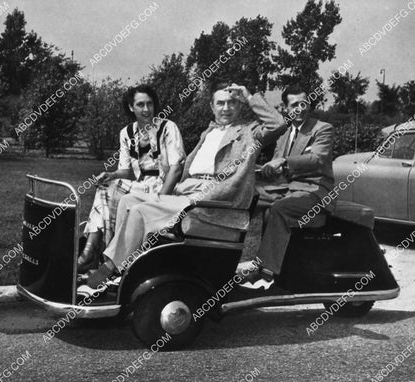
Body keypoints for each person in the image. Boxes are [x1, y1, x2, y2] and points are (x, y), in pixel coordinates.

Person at [79, 82, 288, 294]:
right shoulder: (209, 132)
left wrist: (249, 95)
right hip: (187, 192)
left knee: (141, 211)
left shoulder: (248, 132)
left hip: (214, 201)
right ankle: (125, 268)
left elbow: (278, 124)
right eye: (220, 103)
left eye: (232, 102)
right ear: (211, 106)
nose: (226, 108)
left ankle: (109, 269)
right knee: (128, 201)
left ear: (241, 105)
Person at [77, 85, 186, 272]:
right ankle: (91, 250)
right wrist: (111, 175)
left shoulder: (167, 128)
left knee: (118, 197)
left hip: (164, 188)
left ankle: (97, 255)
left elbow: (176, 169)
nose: (146, 110)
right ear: (131, 107)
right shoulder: (126, 133)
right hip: (140, 186)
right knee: (106, 188)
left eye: (150, 104)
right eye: (140, 104)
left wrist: (161, 199)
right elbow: (126, 171)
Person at [238, 84, 334, 290]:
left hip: (314, 192)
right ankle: (240, 263)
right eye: (294, 105)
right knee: (246, 199)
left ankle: (266, 272)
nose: (299, 109)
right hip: (286, 189)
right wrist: (266, 169)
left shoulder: (322, 129)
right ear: (286, 109)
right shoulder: (284, 133)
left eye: (303, 103)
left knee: (279, 209)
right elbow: (275, 165)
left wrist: (283, 162)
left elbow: (316, 159)